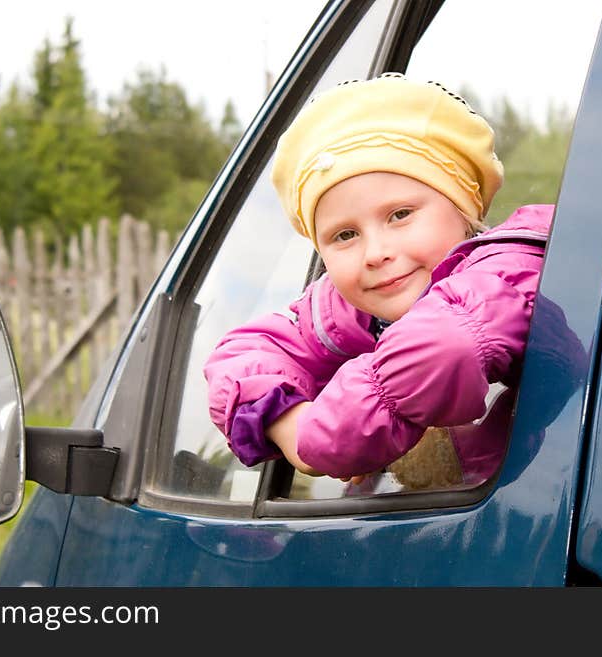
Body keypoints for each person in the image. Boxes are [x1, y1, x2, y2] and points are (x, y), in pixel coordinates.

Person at [203, 73, 554, 486]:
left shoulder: (510, 270)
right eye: (345, 235)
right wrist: (286, 419)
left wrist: (315, 441)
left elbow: (445, 347)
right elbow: (245, 352)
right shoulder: (349, 312)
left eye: (399, 215)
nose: (375, 253)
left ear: (465, 209)